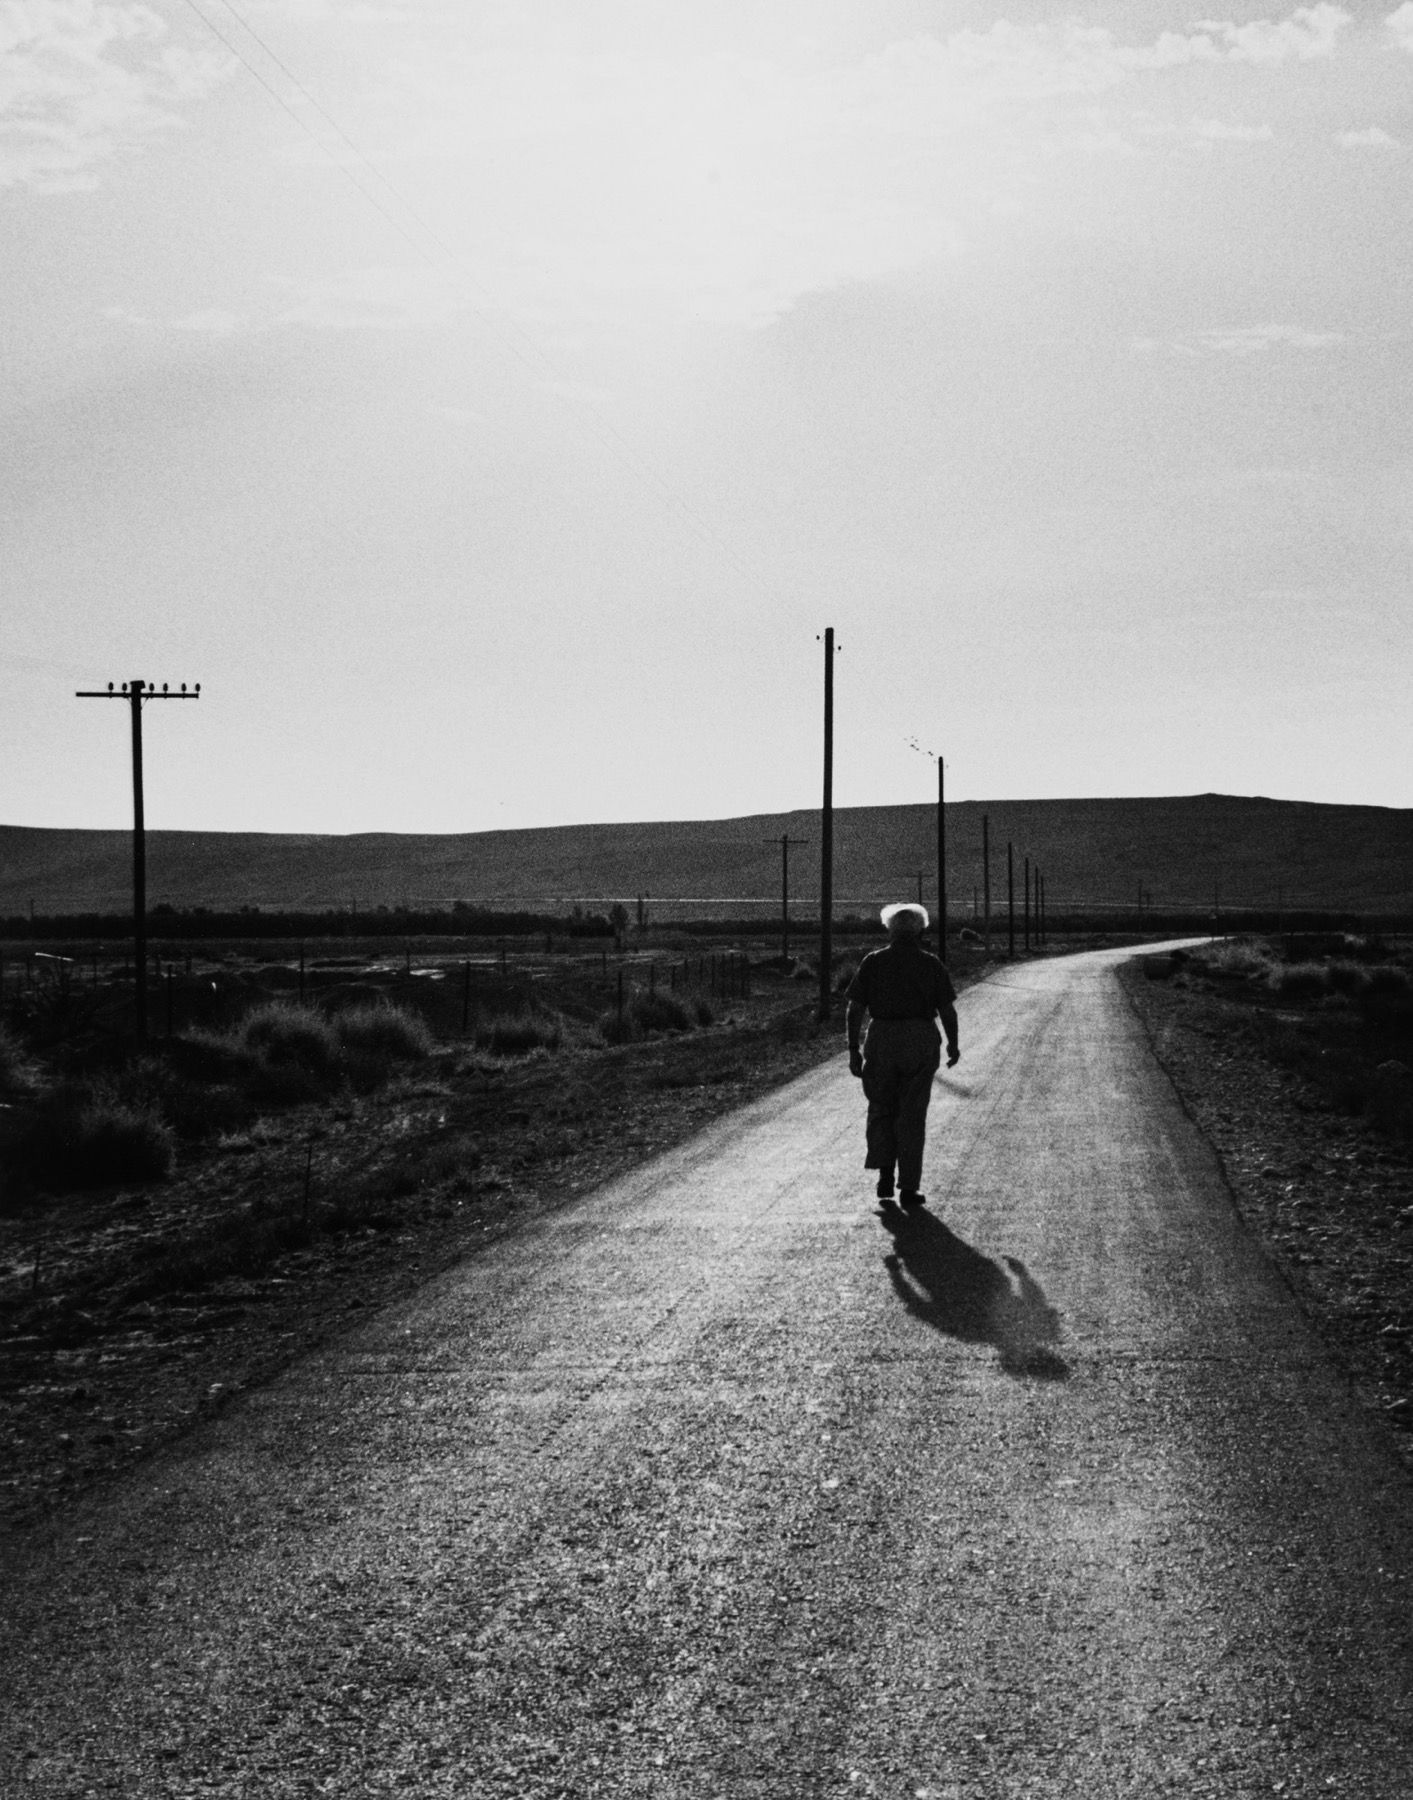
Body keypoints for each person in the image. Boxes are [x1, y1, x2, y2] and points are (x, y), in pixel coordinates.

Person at [845, 902, 960, 1208]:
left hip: (882, 1037)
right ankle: (908, 1187)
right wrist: (953, 1044)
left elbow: (855, 1008)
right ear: (921, 930)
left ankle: (885, 1174)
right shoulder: (931, 964)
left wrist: (853, 1049)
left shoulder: (873, 962)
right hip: (920, 1040)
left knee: (882, 1107)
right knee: (912, 1115)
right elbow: (947, 1009)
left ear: (890, 929)